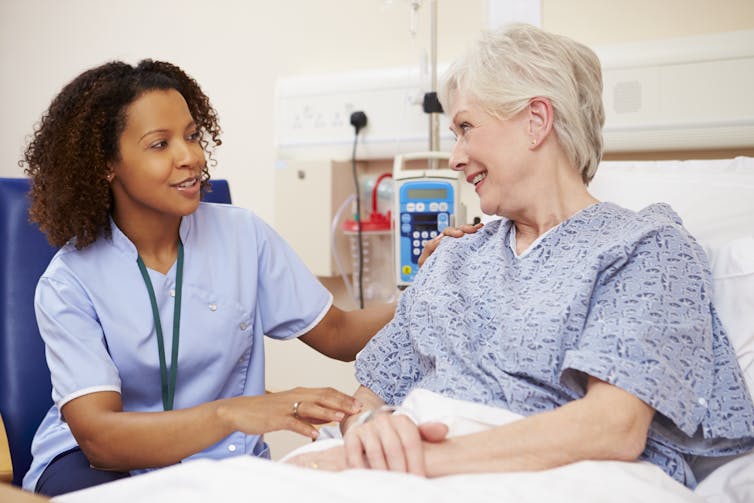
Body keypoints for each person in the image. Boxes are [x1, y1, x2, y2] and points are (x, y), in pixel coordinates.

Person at [287, 24, 754, 489]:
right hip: (400, 464)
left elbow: (613, 428)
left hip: (540, 473)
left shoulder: (644, 247)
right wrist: (374, 433)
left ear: (536, 120)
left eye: (466, 127)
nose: (454, 158)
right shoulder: (455, 256)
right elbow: (367, 400)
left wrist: (415, 463)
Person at [20, 59, 396, 496]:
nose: (191, 157)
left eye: (192, 135)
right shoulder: (69, 280)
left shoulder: (242, 235)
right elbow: (100, 439)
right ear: (107, 163)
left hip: (219, 455)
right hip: (95, 465)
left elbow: (340, 334)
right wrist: (233, 412)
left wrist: (433, 284)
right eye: (160, 144)